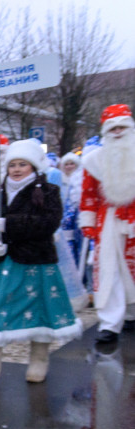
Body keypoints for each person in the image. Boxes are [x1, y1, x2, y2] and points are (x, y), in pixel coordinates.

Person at [0, 139, 83, 383]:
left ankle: (39, 359)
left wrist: (9, 224)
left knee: (40, 311)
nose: (16, 169)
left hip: (35, 262)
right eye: (12, 165)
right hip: (2, 262)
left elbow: (48, 223)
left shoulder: (48, 192)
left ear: (34, 166)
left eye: (22, 164)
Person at [79, 104, 135, 345]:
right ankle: (110, 324)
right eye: (113, 128)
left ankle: (131, 314)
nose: (118, 131)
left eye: (123, 126)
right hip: (109, 220)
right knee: (110, 271)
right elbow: (88, 193)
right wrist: (88, 221)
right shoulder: (94, 161)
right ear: (105, 131)